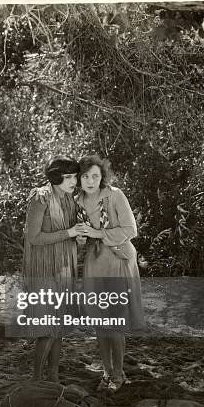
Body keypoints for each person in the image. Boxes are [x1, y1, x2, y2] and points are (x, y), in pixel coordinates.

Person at [74, 155, 145, 391]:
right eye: (85, 176)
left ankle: (119, 373)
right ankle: (106, 372)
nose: (90, 181)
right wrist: (82, 238)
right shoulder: (77, 202)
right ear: (79, 179)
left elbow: (130, 229)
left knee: (114, 320)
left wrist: (97, 234)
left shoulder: (115, 195)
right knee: (99, 321)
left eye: (95, 175)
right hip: (94, 264)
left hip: (118, 260)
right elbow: (81, 241)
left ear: (102, 176)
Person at [23, 156, 82, 382]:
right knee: (47, 327)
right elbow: (33, 237)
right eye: (68, 177)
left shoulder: (69, 199)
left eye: (75, 176)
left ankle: (54, 378)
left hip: (64, 267)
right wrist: (69, 233)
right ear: (56, 176)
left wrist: (80, 237)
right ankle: (36, 379)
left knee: (60, 326)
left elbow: (72, 232)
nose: (73, 181)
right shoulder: (41, 198)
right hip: (43, 268)